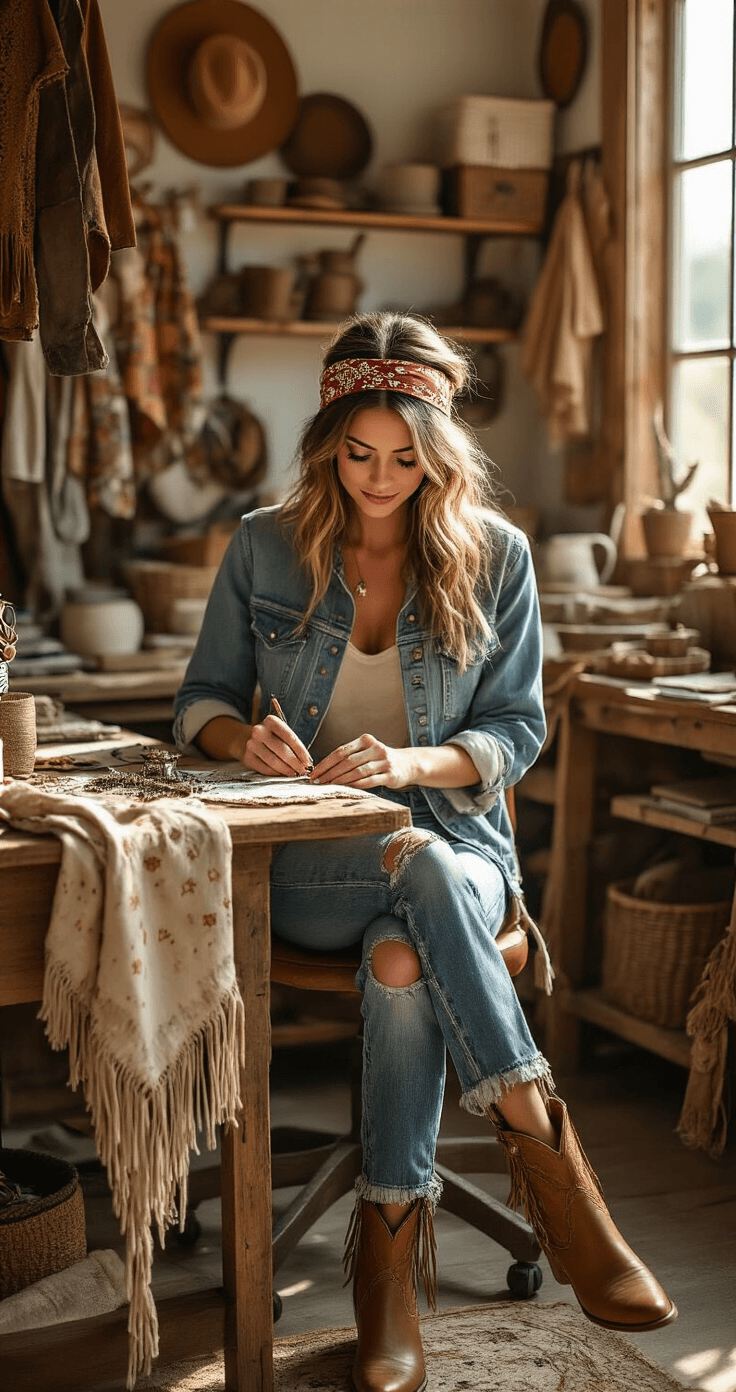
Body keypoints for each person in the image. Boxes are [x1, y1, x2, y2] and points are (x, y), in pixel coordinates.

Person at [174, 312, 676, 1392]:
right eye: (359, 454)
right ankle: (546, 1150)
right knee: (412, 875)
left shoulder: (495, 557)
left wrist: (410, 767)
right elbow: (200, 703)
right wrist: (240, 736)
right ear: (327, 441)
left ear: (438, 448)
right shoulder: (263, 542)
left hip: (451, 847)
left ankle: (386, 1289)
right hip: (310, 864)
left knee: (404, 960)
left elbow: (514, 732)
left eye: (405, 458)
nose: (380, 478)